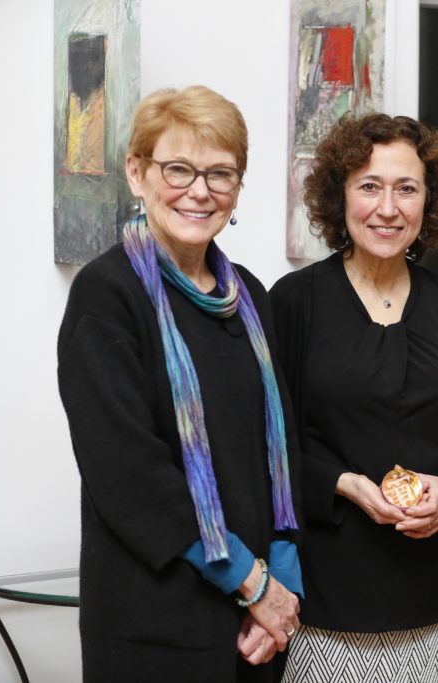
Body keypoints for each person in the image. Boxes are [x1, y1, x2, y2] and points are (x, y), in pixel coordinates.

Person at [57, 85, 303, 682]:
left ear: (237, 189)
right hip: (157, 622)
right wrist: (251, 582)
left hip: (257, 631)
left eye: (221, 174)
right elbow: (128, 473)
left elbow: (281, 452)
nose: (200, 191)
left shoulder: (248, 294)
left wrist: (282, 592)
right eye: (178, 169)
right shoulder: (107, 295)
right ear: (137, 174)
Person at [271, 113, 438, 682]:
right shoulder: (293, 302)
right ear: (338, 196)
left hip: (431, 593)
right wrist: (341, 484)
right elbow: (264, 442)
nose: (387, 208)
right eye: (369, 186)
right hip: (322, 596)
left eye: (406, 189)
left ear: (429, 201)